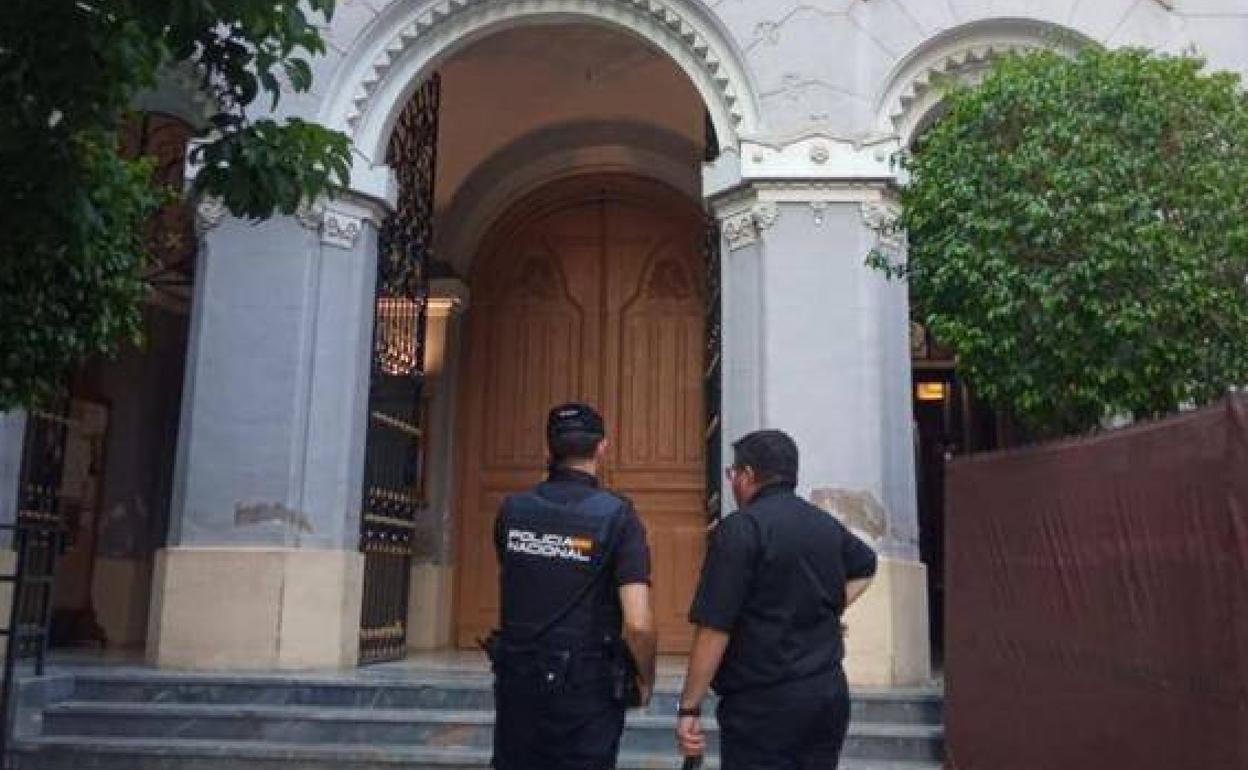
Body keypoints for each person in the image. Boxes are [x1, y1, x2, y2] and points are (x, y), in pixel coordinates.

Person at [675, 429, 878, 770]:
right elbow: (866, 566)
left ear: (748, 475)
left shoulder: (741, 529)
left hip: (763, 703)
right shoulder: (824, 524)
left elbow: (714, 628)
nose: (732, 483)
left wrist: (689, 707)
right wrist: (828, 606)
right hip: (827, 693)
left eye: (733, 474)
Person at [489, 402, 658, 770]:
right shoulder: (619, 516)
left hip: (519, 681)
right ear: (602, 448)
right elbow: (639, 622)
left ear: (547, 450)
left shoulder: (512, 510)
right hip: (587, 688)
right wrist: (645, 677)